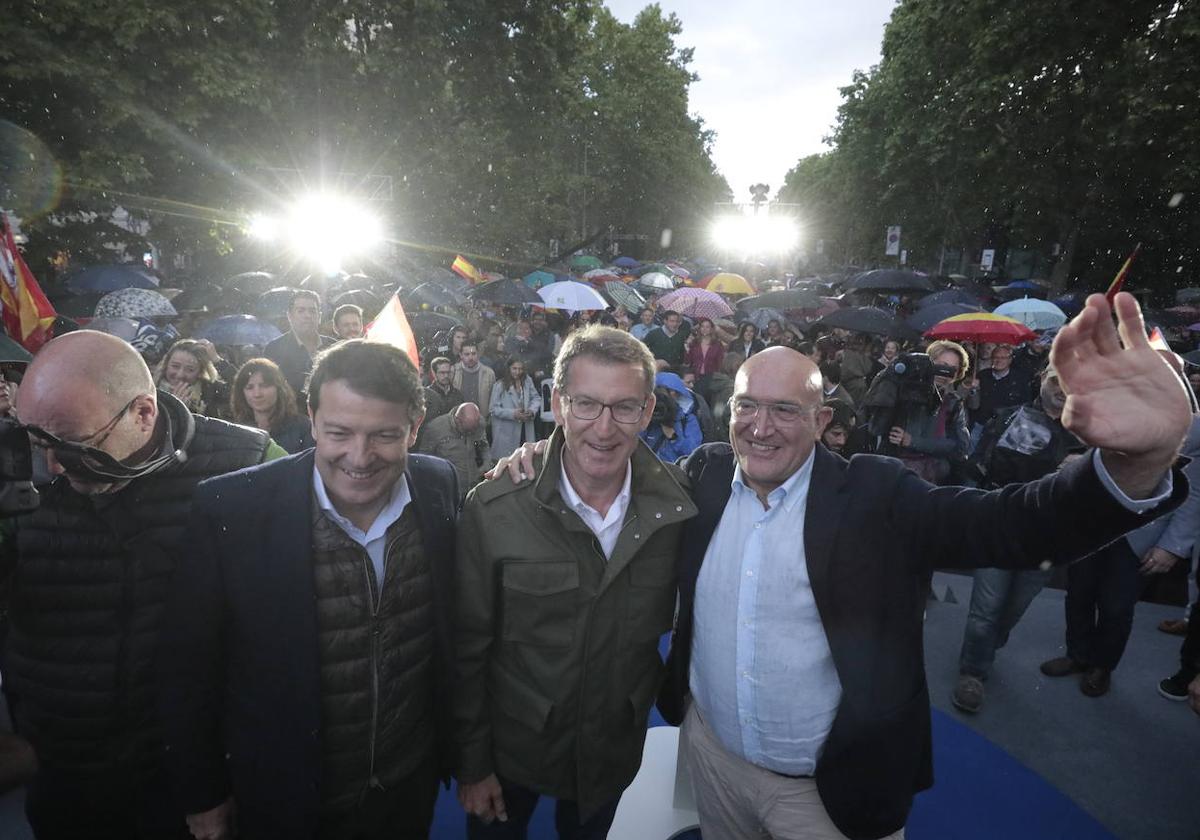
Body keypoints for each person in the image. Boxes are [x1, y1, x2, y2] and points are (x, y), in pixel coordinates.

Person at [656, 293, 1191, 840]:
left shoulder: (877, 494)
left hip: (828, 794)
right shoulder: (708, 475)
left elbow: (1010, 527)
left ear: (821, 421)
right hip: (712, 759)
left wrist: (1134, 465)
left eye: (785, 410)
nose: (760, 427)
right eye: (747, 405)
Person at [159, 340, 459, 840]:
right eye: (339, 433)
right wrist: (202, 794)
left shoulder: (437, 483)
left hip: (407, 789)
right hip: (287, 799)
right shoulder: (232, 506)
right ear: (312, 416)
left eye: (384, 435)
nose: (359, 458)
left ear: (416, 423)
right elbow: (187, 667)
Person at [5, 330, 278, 840]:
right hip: (60, 776)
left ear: (143, 413)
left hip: (191, 786)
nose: (53, 466)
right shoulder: (14, 477)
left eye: (74, 445)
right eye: (37, 442)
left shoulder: (248, 465)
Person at [456, 325, 697, 839]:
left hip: (611, 749)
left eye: (624, 407)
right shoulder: (495, 510)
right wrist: (473, 765)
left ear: (648, 410)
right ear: (558, 405)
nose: (604, 428)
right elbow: (466, 648)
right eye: (586, 404)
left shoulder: (681, 509)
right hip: (510, 749)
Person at [951, 368, 1082, 713]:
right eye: (1056, 379)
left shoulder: (1088, 435)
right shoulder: (1010, 418)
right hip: (1000, 526)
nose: (1062, 389)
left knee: (1011, 611)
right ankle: (973, 672)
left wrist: (1081, 470)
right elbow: (977, 466)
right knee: (985, 611)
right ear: (1042, 378)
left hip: (1047, 540)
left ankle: (984, 649)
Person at [880, 339, 971, 485]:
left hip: (934, 479)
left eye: (952, 369)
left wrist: (914, 442)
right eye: (941, 365)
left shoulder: (953, 403)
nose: (944, 373)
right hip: (896, 473)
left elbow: (959, 447)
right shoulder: (903, 391)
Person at [264, 289, 337, 402]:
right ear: (290, 316)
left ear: (320, 316)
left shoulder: (334, 347)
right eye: (301, 310)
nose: (307, 315)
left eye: (312, 311)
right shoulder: (274, 349)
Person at [230, 357, 314, 454]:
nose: (257, 394)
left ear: (279, 388)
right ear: (241, 393)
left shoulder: (303, 427)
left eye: (264, 386)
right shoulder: (237, 431)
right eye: (249, 387)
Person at [417, 401, 493, 498]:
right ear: (458, 420)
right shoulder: (435, 428)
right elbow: (423, 460)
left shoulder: (478, 423)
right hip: (447, 488)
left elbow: (484, 446)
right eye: (467, 430)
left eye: (472, 430)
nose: (470, 433)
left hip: (472, 486)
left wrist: (486, 465)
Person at [155, 338, 230, 418]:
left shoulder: (209, 391)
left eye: (190, 370)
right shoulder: (151, 388)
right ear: (166, 364)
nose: (180, 374)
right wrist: (174, 408)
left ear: (200, 372)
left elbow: (240, 387)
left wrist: (217, 360)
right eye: (175, 366)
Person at [640, 372, 703, 462]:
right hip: (648, 471)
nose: (663, 397)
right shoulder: (647, 416)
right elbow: (634, 445)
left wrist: (674, 437)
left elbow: (693, 452)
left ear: (678, 393)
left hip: (673, 473)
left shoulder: (687, 420)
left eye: (668, 392)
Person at [488, 358, 539, 461]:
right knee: (508, 462)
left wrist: (532, 410)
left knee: (526, 459)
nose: (517, 372)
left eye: (520, 369)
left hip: (525, 428)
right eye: (514, 368)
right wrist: (513, 414)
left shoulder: (527, 381)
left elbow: (536, 398)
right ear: (508, 369)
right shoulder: (500, 385)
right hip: (507, 432)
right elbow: (493, 409)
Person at [453, 341, 496, 422]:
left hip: (482, 420)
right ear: (461, 355)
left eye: (473, 354)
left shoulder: (489, 373)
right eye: (467, 354)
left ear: (478, 354)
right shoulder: (453, 371)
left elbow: (493, 399)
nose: (470, 357)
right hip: (459, 420)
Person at [685, 317, 725, 404]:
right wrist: (687, 348)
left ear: (711, 329)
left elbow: (720, 362)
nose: (705, 329)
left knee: (707, 400)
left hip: (710, 376)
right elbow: (688, 361)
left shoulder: (717, 344)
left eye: (707, 327)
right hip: (696, 376)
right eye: (702, 326)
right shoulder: (694, 343)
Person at [424, 356, 465, 424]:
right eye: (442, 373)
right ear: (434, 373)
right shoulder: (427, 395)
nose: (446, 376)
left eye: (448, 372)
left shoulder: (457, 395)